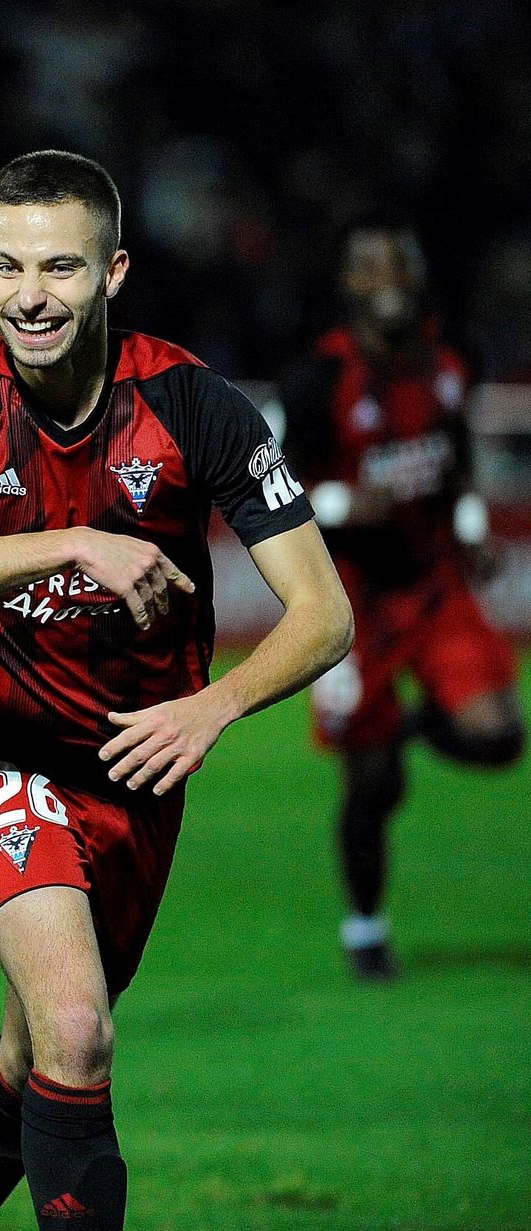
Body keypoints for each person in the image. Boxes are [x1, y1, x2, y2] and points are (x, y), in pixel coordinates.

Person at [0, 151, 353, 1231]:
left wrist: (214, 705)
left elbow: (324, 614)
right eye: (5, 266)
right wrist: (77, 541)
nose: (28, 296)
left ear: (115, 272)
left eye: (60, 268)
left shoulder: (195, 405)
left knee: (35, 1046)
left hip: (136, 766)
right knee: (79, 1028)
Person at [277, 220, 523, 981]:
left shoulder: (453, 355)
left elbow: (454, 458)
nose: (385, 277)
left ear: (417, 276)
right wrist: (348, 503)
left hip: (432, 578)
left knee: (497, 737)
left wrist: (473, 526)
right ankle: (365, 928)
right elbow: (272, 495)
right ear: (347, 285)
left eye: (398, 263)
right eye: (367, 267)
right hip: (350, 596)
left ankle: (412, 720)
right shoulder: (318, 382)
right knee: (373, 780)